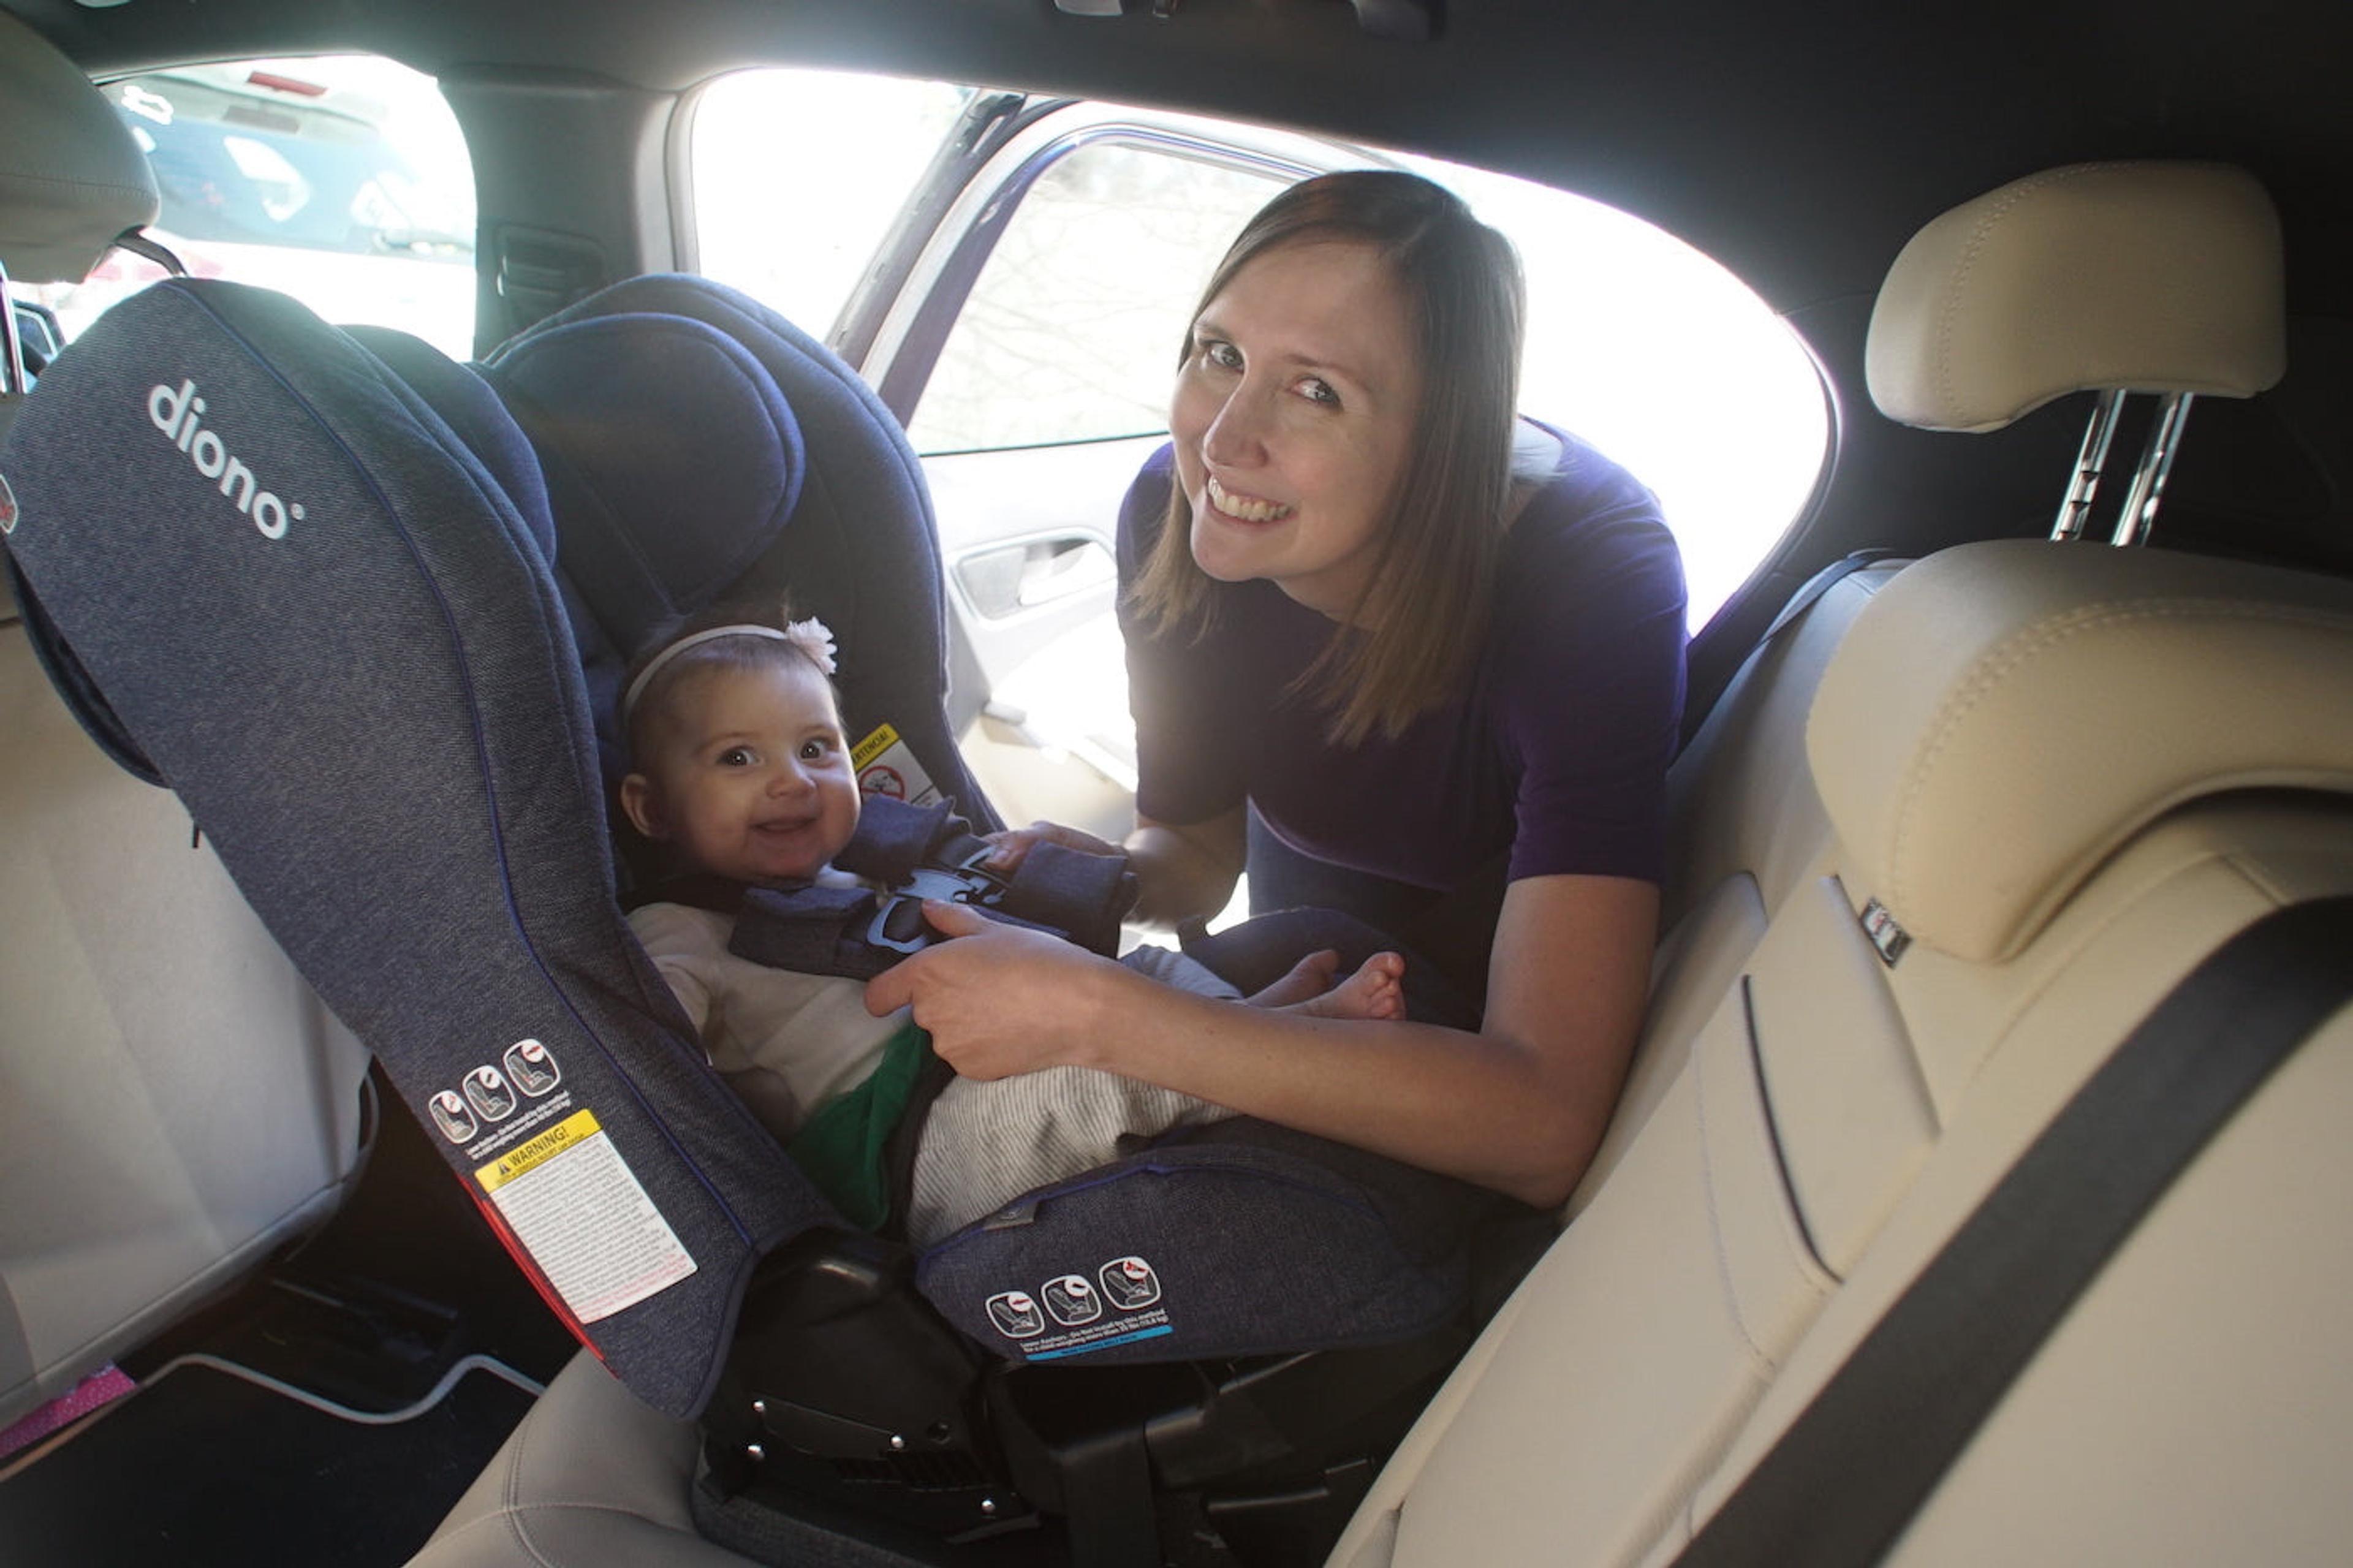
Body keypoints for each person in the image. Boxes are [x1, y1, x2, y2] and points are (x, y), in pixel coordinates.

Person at [867, 170, 1687, 1212]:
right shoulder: (1175, 511)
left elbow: (1542, 1123)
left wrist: (1099, 1012)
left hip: (1514, 927)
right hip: (1323, 894)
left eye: (1316, 390)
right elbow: (1199, 850)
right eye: (1221, 355)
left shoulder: (1592, 582)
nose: (1221, 441)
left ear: (1443, 443)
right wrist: (1112, 879)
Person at [616, 605, 1404, 1244]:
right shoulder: (676, 931)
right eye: (737, 760)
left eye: (816, 748)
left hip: (998, 1039)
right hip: (910, 1141)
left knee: (1136, 978)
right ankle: (1283, 1049)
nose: (793, 782)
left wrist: (1018, 872)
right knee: (1091, 1064)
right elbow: (642, 1069)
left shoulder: (876, 855)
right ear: (651, 808)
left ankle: (1250, 1026)